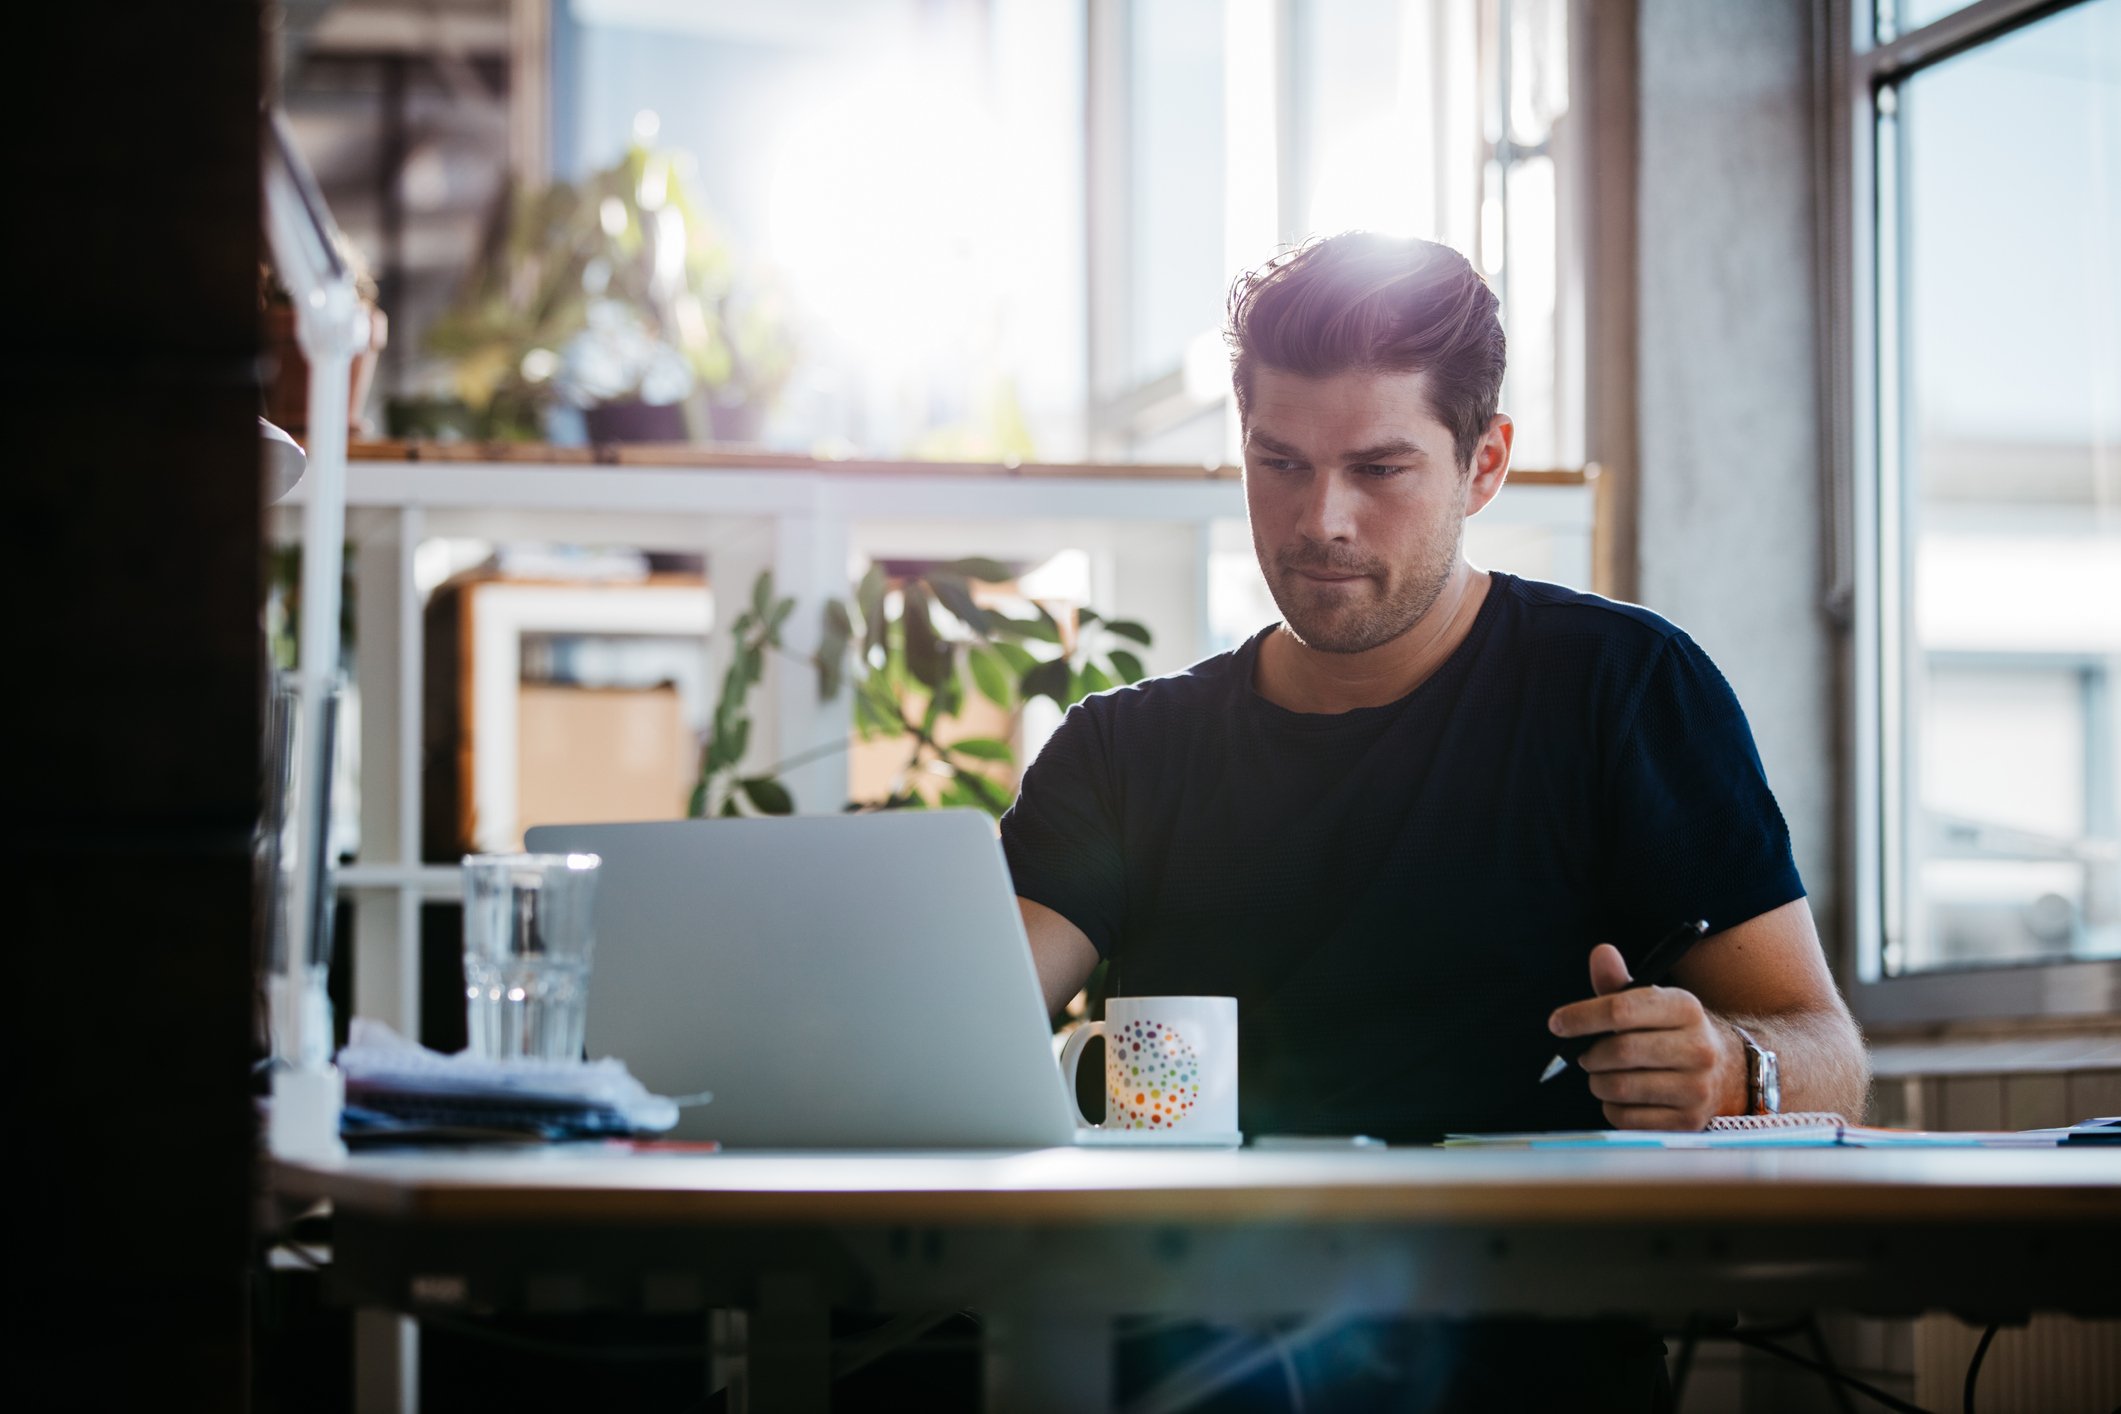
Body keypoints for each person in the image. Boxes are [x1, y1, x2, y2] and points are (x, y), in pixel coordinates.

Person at [998, 231, 1869, 1410]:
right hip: (1191, 1370)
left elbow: (1831, 1057)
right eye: (1280, 463)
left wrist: (1729, 1067)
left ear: (1486, 463)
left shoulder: (1622, 691)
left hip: (1533, 1370)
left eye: (1381, 468)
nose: (1324, 522)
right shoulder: (1123, 751)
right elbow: (974, 1031)